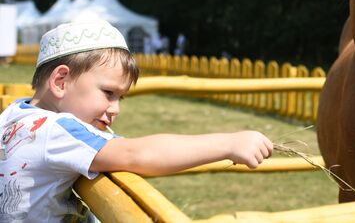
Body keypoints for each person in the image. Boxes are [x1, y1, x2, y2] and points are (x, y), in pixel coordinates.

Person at [0, 20, 273, 222]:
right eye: (108, 93)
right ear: (61, 81)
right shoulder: (57, 130)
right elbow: (138, 153)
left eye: (121, 98)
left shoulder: (13, 114)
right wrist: (229, 143)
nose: (115, 109)